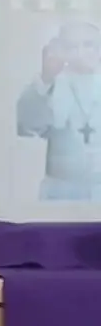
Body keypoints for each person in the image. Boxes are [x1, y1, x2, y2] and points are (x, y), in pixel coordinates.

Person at [16, 20, 101, 200]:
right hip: (61, 191)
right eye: (72, 47)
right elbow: (26, 126)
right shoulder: (51, 84)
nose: (81, 52)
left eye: (88, 44)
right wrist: (46, 78)